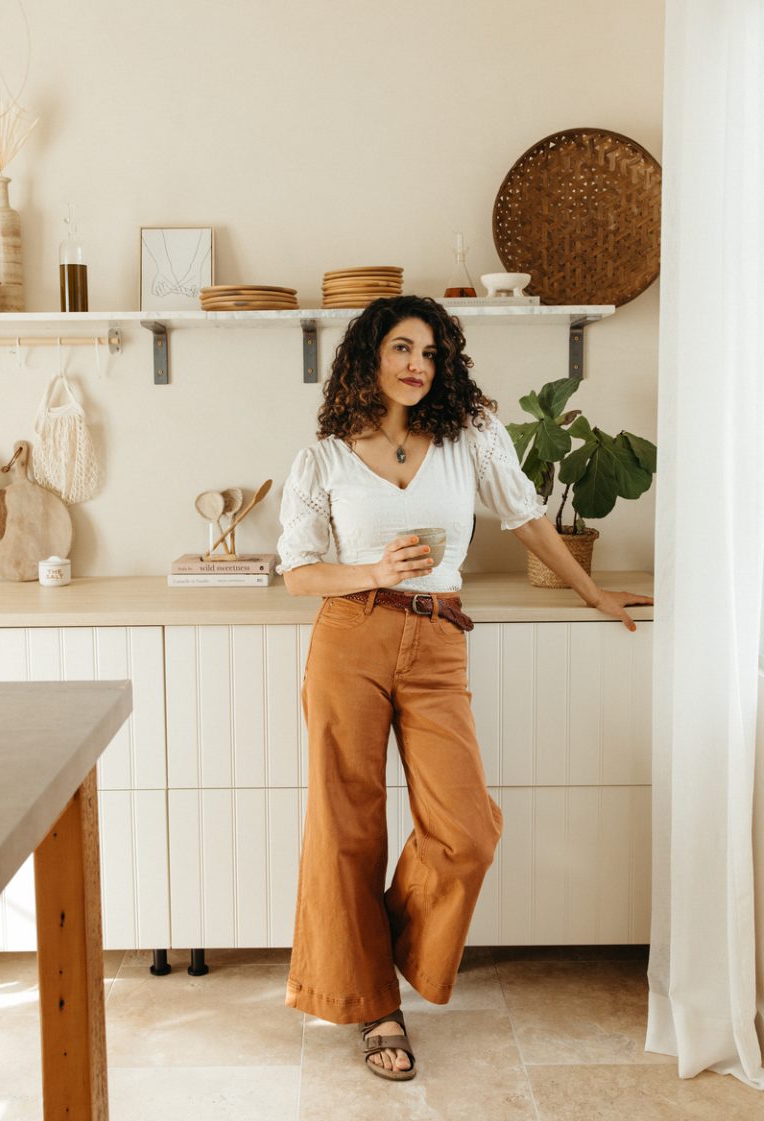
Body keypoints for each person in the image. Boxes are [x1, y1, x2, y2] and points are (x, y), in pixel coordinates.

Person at [276, 295, 652, 1081]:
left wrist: (595, 593)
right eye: (403, 347)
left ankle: (360, 947)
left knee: (468, 831)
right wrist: (374, 571)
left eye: (432, 352)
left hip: (439, 639)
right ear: (369, 356)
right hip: (350, 636)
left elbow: (529, 518)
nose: (417, 364)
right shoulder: (325, 455)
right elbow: (300, 570)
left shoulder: (468, 436)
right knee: (345, 825)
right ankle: (376, 1003)